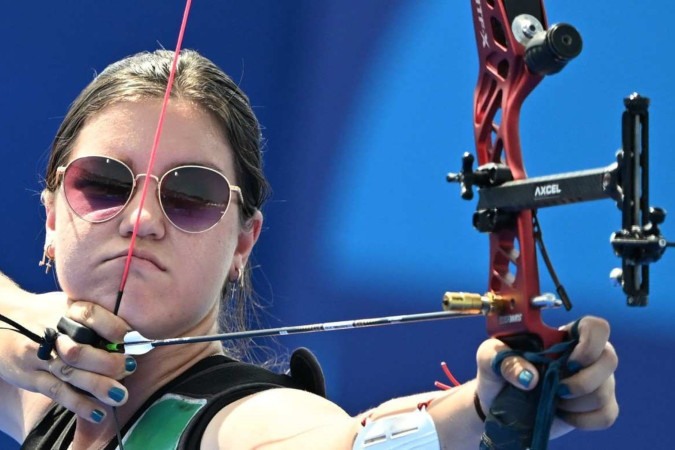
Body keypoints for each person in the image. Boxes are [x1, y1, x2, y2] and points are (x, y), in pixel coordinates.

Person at [0, 49, 618, 450]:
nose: (140, 220)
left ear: (243, 241)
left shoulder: (235, 421)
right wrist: (25, 330)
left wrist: (490, 406)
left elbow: (343, 444)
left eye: (191, 195)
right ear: (52, 215)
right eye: (104, 184)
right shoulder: (42, 395)